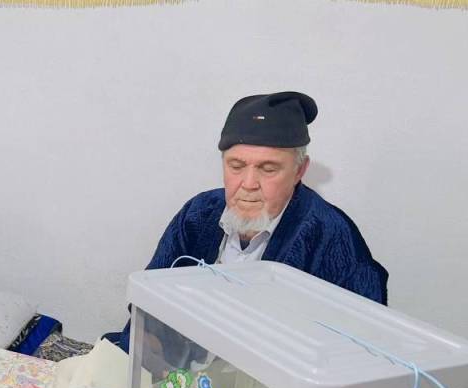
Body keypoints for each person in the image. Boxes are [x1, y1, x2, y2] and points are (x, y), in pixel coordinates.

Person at [109, 91, 388, 354]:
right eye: (236, 166)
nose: (249, 184)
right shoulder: (200, 213)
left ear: (299, 171)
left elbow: (361, 348)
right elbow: (147, 301)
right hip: (184, 371)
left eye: (268, 169)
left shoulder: (333, 237)